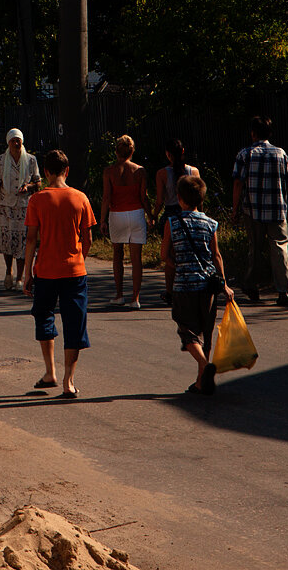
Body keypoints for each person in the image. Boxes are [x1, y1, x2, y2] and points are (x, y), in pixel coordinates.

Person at [23, 149, 96, 398]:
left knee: (44, 317)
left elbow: (31, 239)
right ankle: (69, 380)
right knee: (74, 323)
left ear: (45, 172)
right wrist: (78, 259)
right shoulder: (80, 198)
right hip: (74, 270)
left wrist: (26, 273)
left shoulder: (37, 200)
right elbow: (88, 238)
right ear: (67, 171)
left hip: (45, 270)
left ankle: (49, 371)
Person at [161, 174, 234, 394]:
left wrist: (177, 265)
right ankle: (202, 381)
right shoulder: (210, 223)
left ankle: (204, 366)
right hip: (208, 287)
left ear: (179, 198)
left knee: (187, 331)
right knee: (206, 332)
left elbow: (164, 255)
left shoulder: (172, 223)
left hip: (184, 286)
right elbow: (217, 255)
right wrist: (224, 284)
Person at [232, 115, 288, 306]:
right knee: (280, 249)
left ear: (253, 134)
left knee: (255, 248)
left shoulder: (245, 154)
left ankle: (252, 285)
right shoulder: (280, 153)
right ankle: (283, 290)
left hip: (253, 210)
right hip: (277, 210)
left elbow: (237, 183)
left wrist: (234, 209)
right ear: (269, 133)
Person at [101, 135, 151, 309]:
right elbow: (143, 197)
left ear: (116, 151)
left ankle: (119, 294)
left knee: (117, 255)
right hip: (136, 214)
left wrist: (102, 220)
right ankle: (135, 298)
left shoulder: (109, 171)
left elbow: (106, 197)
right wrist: (150, 215)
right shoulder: (140, 171)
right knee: (136, 258)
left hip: (117, 214)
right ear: (132, 151)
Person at [0, 129, 41, 290]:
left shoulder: (31, 160)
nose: (16, 144)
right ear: (8, 143)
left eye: (18, 141)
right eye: (13, 141)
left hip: (24, 207)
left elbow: (38, 183)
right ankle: (8, 272)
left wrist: (28, 186)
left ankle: (19, 277)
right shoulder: (1, 160)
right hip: (5, 207)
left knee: (23, 243)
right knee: (7, 241)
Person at [154, 138, 200, 304]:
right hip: (191, 211)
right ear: (182, 152)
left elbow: (160, 200)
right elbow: (200, 198)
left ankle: (170, 291)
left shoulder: (162, 174)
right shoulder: (193, 172)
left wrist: (153, 215)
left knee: (170, 255)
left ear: (168, 155)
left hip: (171, 214)